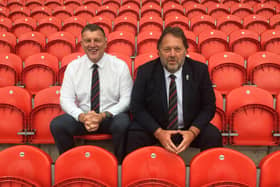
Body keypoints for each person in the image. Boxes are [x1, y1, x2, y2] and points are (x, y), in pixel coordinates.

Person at [126, 26, 222, 155]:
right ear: (158, 51)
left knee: (213, 136)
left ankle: (210, 174)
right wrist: (158, 132)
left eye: (177, 49)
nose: (172, 54)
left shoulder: (199, 70)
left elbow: (209, 107)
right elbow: (137, 107)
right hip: (156, 128)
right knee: (134, 135)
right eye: (167, 49)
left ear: (185, 51)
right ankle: (136, 174)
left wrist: (193, 132)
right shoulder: (145, 71)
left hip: (189, 128)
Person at [50, 24, 133, 163]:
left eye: (97, 40)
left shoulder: (120, 66)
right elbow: (65, 99)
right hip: (84, 118)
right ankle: (70, 162)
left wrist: (102, 116)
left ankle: (120, 164)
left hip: (109, 117)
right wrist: (81, 116)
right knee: (57, 124)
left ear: (105, 42)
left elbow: (127, 100)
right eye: (88, 41)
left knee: (123, 123)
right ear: (82, 43)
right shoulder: (73, 67)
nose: (92, 45)